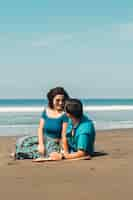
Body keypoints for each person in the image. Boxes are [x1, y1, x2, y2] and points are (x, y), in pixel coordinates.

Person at [14, 87, 69, 160]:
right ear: (52, 100)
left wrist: (65, 152)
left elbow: (64, 135)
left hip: (53, 143)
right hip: (43, 139)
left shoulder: (65, 115)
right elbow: (40, 128)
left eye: (63, 100)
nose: (61, 103)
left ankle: (22, 154)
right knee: (21, 141)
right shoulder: (46, 111)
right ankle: (31, 152)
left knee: (48, 151)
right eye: (58, 100)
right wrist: (41, 144)